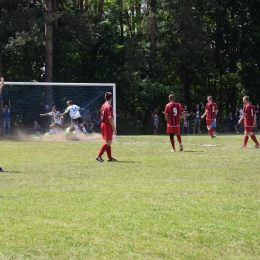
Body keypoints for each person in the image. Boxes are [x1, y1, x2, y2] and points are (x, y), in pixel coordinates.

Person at [96, 92, 117, 162]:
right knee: (108, 142)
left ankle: (110, 158)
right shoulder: (109, 106)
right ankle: (98, 156)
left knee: (108, 141)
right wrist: (114, 128)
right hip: (107, 124)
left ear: (105, 97)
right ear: (111, 98)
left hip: (103, 124)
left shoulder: (103, 105)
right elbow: (110, 118)